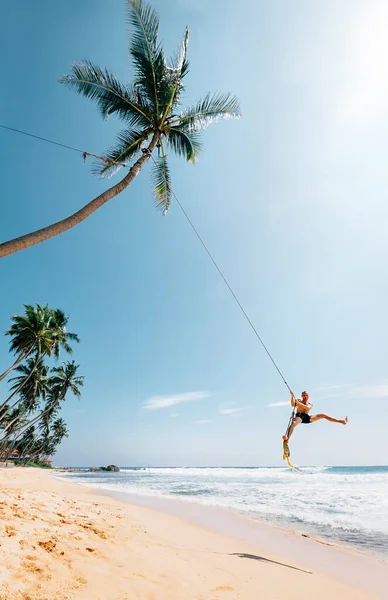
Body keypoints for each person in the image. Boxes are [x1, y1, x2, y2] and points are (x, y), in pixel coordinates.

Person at [282, 390, 348, 441]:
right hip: (299, 417)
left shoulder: (309, 403)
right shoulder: (299, 400)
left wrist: (298, 403)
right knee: (293, 424)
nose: (305, 396)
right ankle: (287, 439)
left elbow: (306, 408)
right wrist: (292, 396)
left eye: (306, 395)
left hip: (307, 417)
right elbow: (293, 404)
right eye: (304, 395)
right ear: (302, 396)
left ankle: (341, 421)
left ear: (308, 396)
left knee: (323, 415)